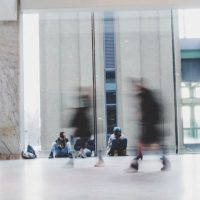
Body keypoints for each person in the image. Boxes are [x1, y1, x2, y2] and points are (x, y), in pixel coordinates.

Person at [129, 80, 170, 172]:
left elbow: (145, 112)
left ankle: (135, 165)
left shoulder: (146, 97)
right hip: (150, 126)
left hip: (149, 126)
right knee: (147, 144)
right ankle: (164, 161)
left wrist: (141, 116)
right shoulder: (148, 96)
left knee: (144, 144)